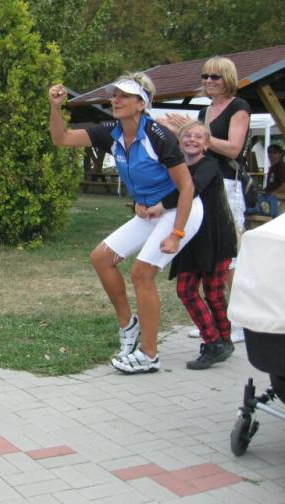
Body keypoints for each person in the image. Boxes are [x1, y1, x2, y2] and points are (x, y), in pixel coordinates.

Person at [48, 73, 203, 374]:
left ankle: (149, 354)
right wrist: (55, 107)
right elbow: (62, 138)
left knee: (141, 274)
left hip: (181, 211)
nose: (115, 101)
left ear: (141, 104)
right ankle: (128, 325)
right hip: (149, 213)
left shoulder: (159, 136)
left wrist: (176, 233)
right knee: (101, 258)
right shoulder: (111, 132)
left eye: (124, 96)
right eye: (114, 95)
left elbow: (187, 188)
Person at [162, 56, 250, 343]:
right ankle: (215, 319)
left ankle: (239, 321)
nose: (208, 81)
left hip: (227, 185)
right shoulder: (205, 111)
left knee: (229, 253)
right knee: (207, 248)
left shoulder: (239, 107)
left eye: (215, 76)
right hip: (203, 185)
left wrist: (197, 134)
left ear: (227, 78)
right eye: (205, 76)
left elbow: (234, 149)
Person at [169, 122, 237, 370]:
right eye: (187, 135)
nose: (192, 140)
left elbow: (191, 190)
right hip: (190, 237)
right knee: (185, 290)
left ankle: (223, 341)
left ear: (206, 145)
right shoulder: (175, 168)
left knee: (214, 294)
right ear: (179, 141)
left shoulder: (209, 165)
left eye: (199, 137)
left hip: (216, 238)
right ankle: (214, 341)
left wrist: (158, 204)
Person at [258, 144, 285, 217]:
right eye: (269, 152)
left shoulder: (281, 167)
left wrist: (272, 193)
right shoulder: (272, 168)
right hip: (271, 199)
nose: (271, 154)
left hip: (279, 201)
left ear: (280, 154)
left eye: (274, 152)